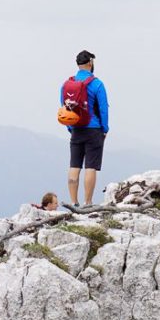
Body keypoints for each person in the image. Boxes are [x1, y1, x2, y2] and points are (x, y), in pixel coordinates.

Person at [61, 50, 109, 208]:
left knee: (74, 165)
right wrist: (104, 128)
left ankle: (73, 201)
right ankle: (88, 202)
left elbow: (64, 107)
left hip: (76, 129)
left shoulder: (67, 84)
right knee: (91, 166)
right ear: (90, 63)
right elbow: (103, 109)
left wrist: (70, 127)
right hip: (93, 129)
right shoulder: (97, 84)